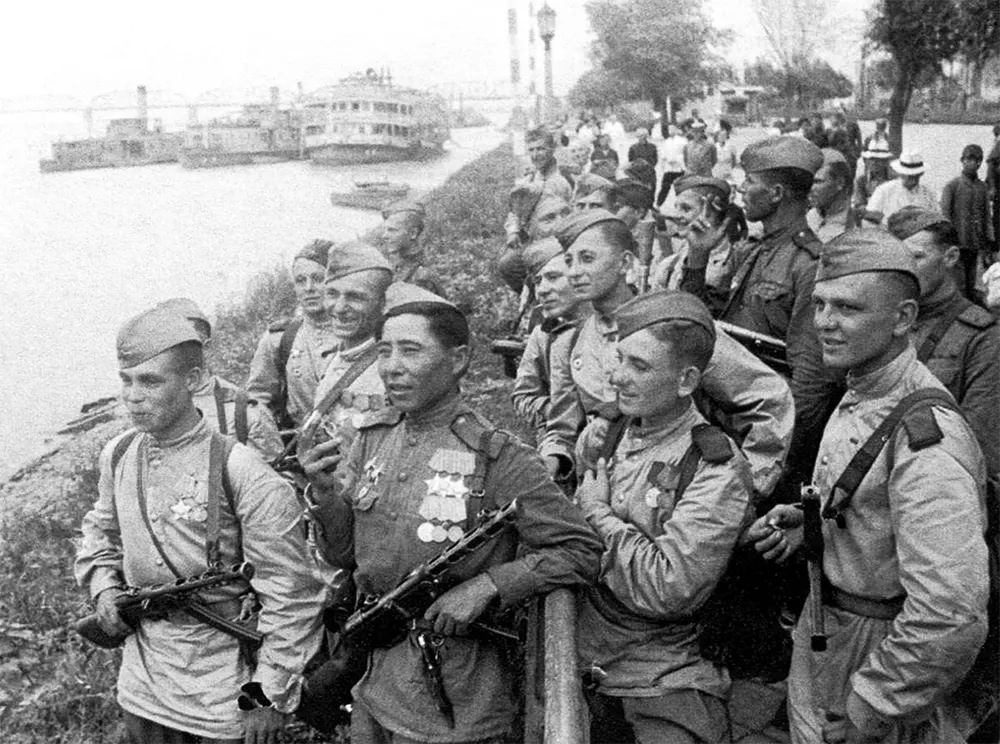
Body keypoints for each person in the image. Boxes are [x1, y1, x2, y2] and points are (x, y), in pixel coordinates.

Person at [300, 284, 602, 744]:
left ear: (458, 360)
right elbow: (345, 554)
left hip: (455, 693)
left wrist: (489, 585)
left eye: (411, 351)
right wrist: (324, 495)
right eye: (385, 351)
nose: (392, 368)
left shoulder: (498, 456)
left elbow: (581, 550)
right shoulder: (371, 437)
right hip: (375, 679)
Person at [748, 230, 990, 743]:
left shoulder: (927, 438)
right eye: (819, 304)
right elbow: (873, 505)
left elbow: (951, 612)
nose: (825, 324)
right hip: (831, 629)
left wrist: (876, 704)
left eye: (848, 309)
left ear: (903, 318)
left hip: (878, 651)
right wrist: (812, 523)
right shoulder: (865, 385)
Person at [75, 306, 324, 744]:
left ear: (192, 381)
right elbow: (100, 532)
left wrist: (262, 694)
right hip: (142, 687)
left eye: (150, 381)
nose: (133, 396)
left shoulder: (243, 472)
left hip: (222, 696)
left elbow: (293, 597)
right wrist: (103, 586)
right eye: (126, 380)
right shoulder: (117, 454)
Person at [575, 290, 755, 744]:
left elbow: (669, 587)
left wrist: (596, 513)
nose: (617, 377)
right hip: (580, 652)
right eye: (619, 359)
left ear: (686, 380)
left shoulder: (714, 466)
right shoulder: (611, 431)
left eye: (640, 366)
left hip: (660, 673)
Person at [545, 209, 794, 503]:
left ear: (625, 262)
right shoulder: (570, 342)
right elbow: (562, 430)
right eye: (569, 261)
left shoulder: (674, 325)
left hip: (679, 498)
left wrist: (744, 492)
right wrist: (552, 460)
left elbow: (769, 398)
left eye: (587, 258)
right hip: (605, 502)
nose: (573, 272)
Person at [680, 135, 842, 491]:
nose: (740, 189)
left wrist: (776, 471)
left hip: (765, 441)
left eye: (750, 182)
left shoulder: (810, 264)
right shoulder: (750, 250)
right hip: (724, 421)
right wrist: (697, 258)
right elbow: (698, 328)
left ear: (777, 194)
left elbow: (810, 384)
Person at [886, 206, 999, 491]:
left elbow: (978, 449)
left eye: (916, 257)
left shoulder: (983, 338)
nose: (903, 270)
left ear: (950, 257)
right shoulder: (884, 324)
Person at [156, 298, 283, 463]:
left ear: (205, 348)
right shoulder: (152, 410)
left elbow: (275, 483)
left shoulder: (243, 411)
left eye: (183, 345)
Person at [308, 242, 395, 454]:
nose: (338, 308)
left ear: (384, 303)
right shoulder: (334, 358)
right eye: (332, 294)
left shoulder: (392, 367)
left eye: (355, 297)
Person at [246, 239, 340, 431]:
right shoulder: (280, 339)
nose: (308, 288)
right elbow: (258, 400)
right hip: (301, 451)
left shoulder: (361, 334)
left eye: (318, 278)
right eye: (300, 281)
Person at [511, 238, 589, 447]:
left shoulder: (607, 329)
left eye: (553, 277)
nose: (542, 290)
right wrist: (556, 410)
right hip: (559, 443)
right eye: (538, 281)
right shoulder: (543, 335)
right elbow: (523, 396)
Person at [655, 176, 743, 315]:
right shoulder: (671, 264)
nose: (677, 216)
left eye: (686, 208)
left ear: (712, 212)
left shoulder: (735, 264)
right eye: (676, 207)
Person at [500, 127, 574, 293]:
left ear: (552, 150)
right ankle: (531, 296)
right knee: (507, 264)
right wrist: (513, 230)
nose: (535, 155)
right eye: (531, 150)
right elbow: (515, 210)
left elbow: (563, 221)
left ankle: (540, 294)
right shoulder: (532, 177)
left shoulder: (560, 181)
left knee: (511, 264)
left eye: (541, 149)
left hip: (553, 239)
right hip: (532, 237)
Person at [940, 144, 993, 298]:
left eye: (978, 160)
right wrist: (948, 241)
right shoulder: (952, 186)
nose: (974, 163)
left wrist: (989, 240)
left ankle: (970, 306)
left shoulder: (982, 187)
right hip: (957, 241)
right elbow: (945, 216)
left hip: (976, 242)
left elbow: (986, 216)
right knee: (958, 280)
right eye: (969, 159)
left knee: (972, 279)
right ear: (962, 161)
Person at [379, 200, 447, 297]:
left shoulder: (421, 278)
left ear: (413, 233)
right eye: (385, 230)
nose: (384, 236)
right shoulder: (398, 266)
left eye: (392, 230)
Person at [865, 150, 938, 226]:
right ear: (900, 172)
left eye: (914, 174)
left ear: (921, 173)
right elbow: (870, 217)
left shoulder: (928, 194)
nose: (910, 177)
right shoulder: (884, 190)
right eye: (907, 174)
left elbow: (935, 219)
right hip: (888, 234)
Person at [806, 148, 853, 242]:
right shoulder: (807, 218)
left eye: (818, 182)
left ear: (840, 183)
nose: (810, 188)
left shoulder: (859, 224)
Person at [852, 140, 893, 226]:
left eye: (878, 160)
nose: (874, 163)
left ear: (886, 162)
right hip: (870, 220)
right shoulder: (862, 180)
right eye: (871, 159)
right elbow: (859, 205)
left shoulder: (894, 180)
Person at [657, 124, 688, 207]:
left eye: (672, 129)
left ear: (676, 130)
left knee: (681, 188)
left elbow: (686, 154)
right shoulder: (666, 142)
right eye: (669, 129)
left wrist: (678, 160)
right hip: (669, 168)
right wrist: (663, 165)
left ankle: (682, 206)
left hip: (679, 168)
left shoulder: (683, 141)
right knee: (665, 187)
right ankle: (658, 205)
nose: (671, 131)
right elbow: (663, 155)